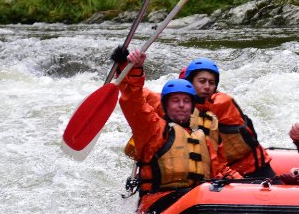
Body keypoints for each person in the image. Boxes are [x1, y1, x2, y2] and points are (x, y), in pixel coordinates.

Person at [112, 49, 273, 177]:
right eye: (202, 81)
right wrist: (126, 67)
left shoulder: (220, 107)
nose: (207, 87)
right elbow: (133, 97)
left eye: (211, 83)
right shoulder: (166, 104)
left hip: (246, 168)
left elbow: (217, 165)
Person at [119, 50, 241, 211]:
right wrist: (133, 68)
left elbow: (220, 170)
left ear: (192, 107)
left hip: (195, 200)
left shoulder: (203, 136)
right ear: (165, 105)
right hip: (159, 203)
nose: (182, 105)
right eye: (175, 101)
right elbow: (133, 99)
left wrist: (247, 187)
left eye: (186, 101)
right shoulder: (151, 128)